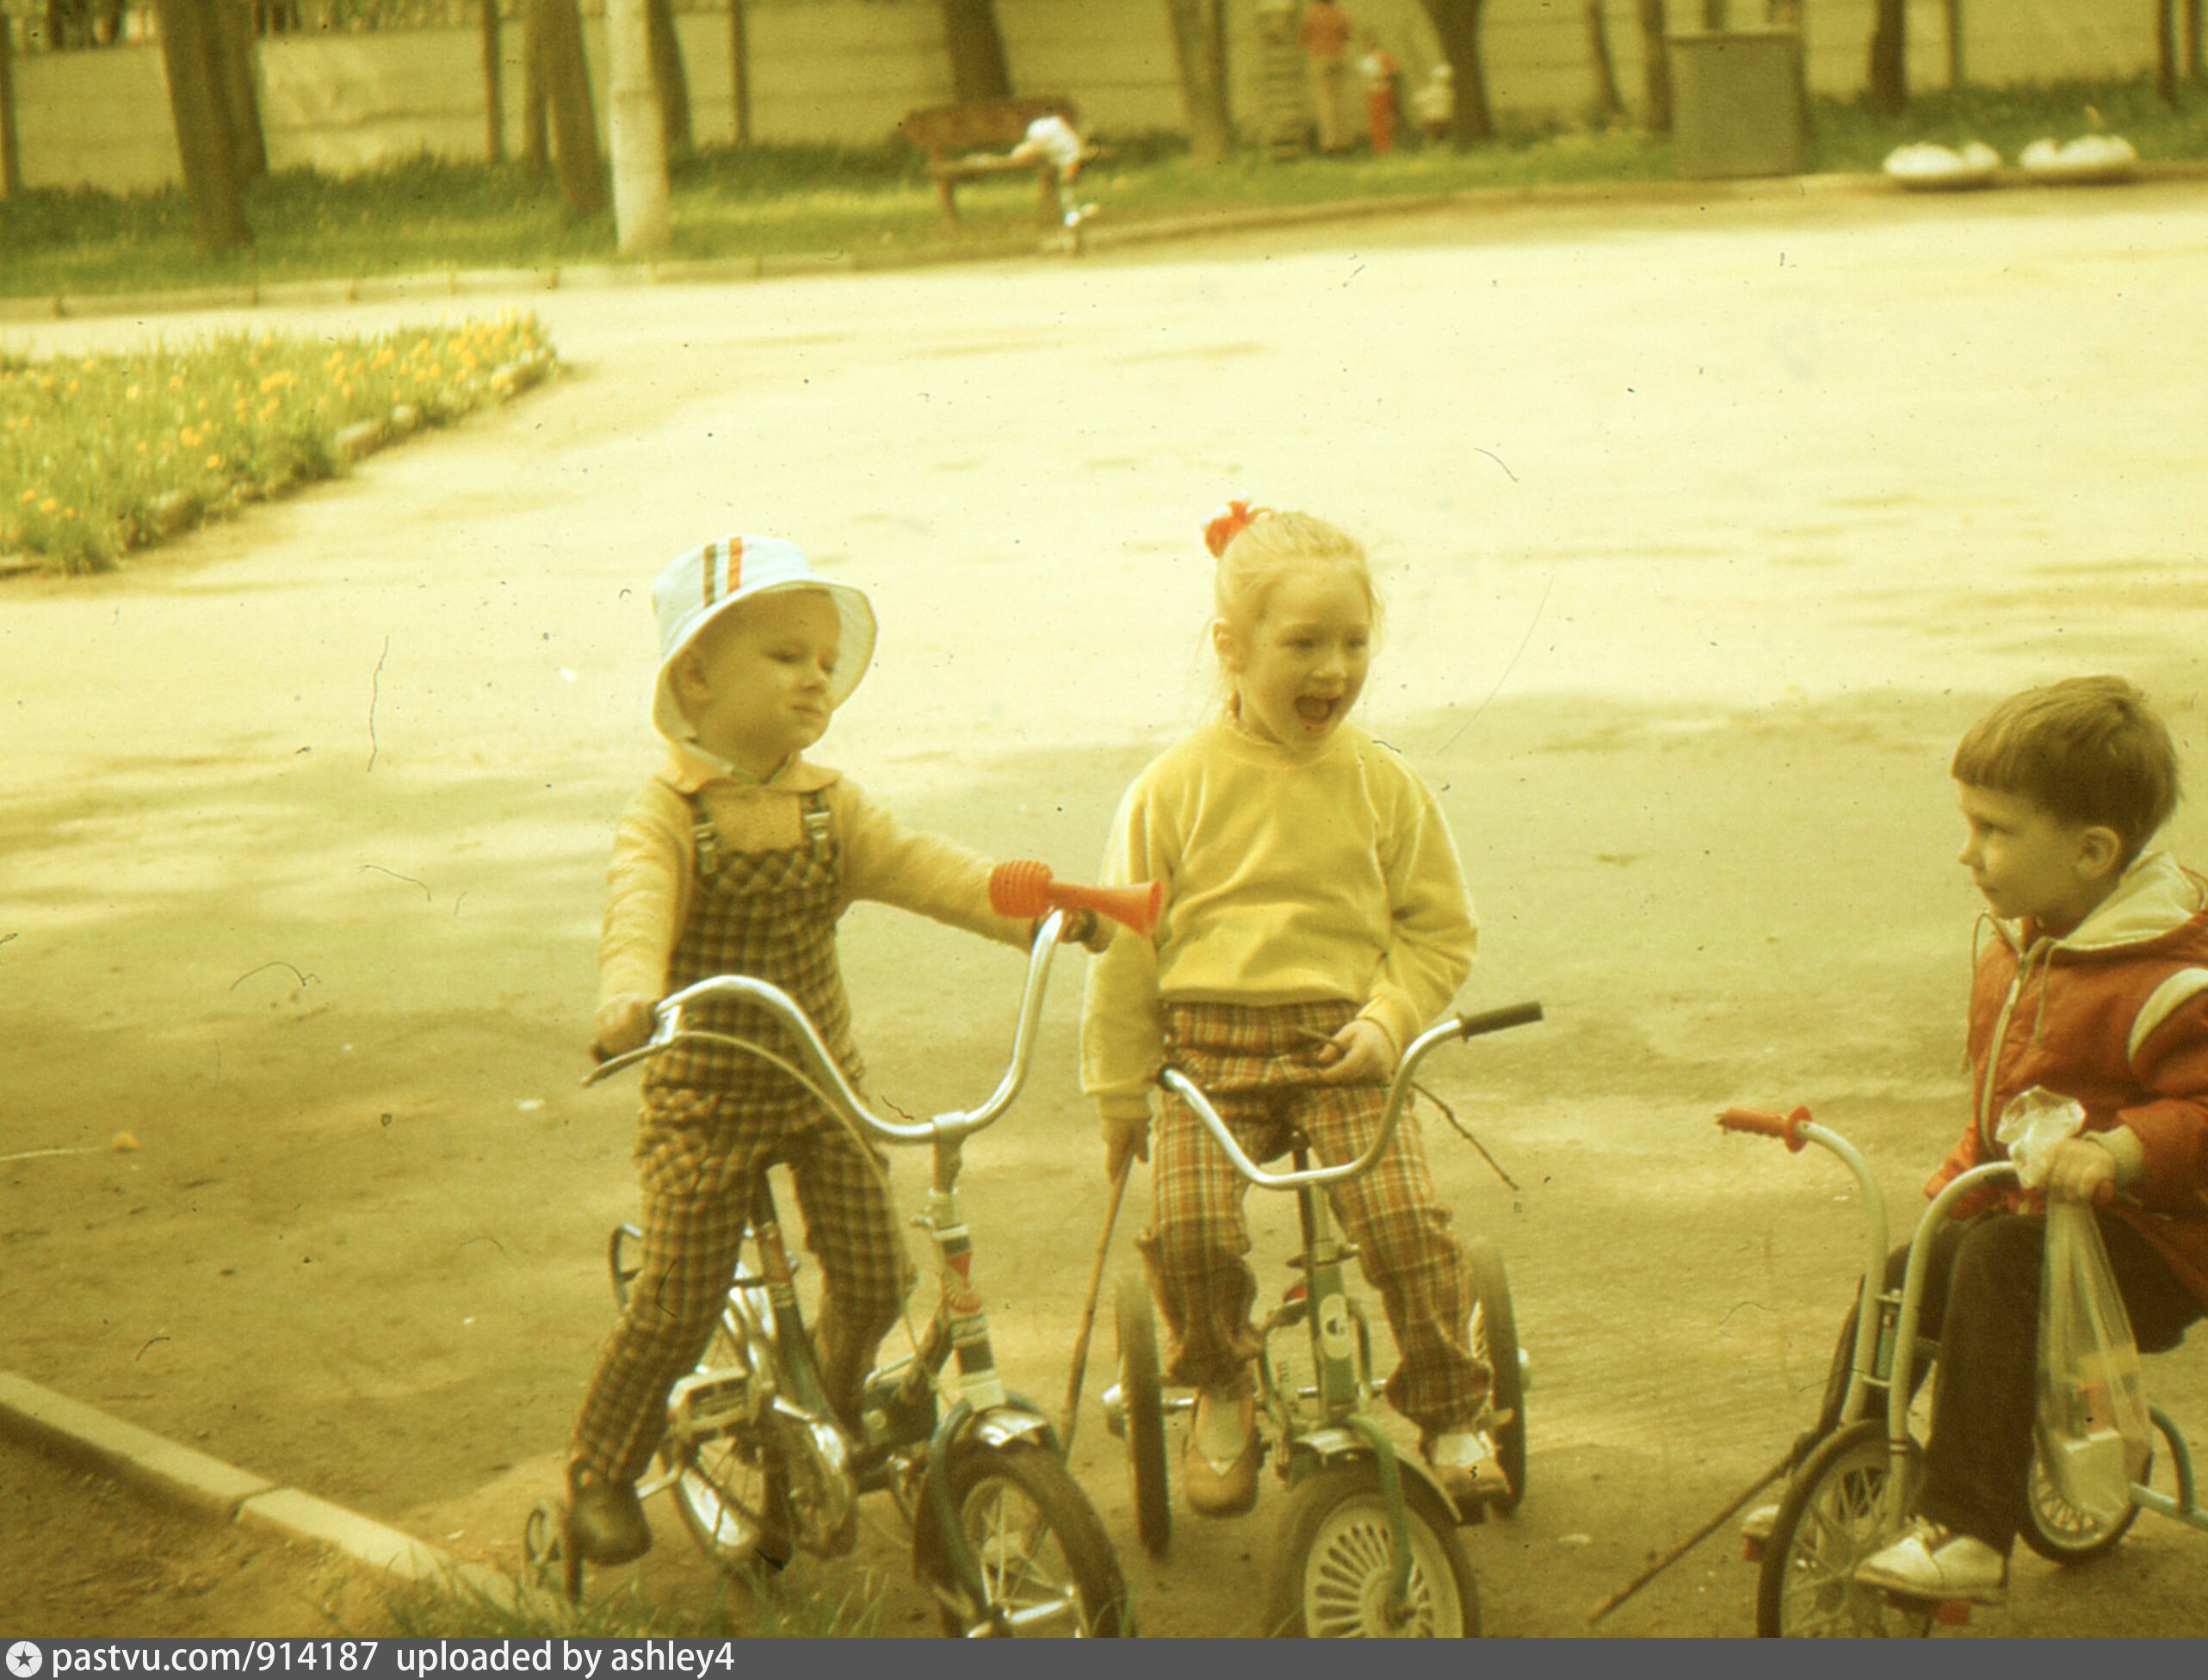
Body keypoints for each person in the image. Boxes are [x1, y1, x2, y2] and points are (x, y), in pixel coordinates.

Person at [562, 534, 1091, 1564]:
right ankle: (601, 1465)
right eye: (785, 656)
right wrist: (629, 993)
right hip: (706, 1099)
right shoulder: (667, 817)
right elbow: (638, 911)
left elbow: (929, 869)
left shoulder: (828, 809)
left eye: (824, 660)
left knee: (876, 1273)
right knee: (677, 1299)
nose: (815, 677)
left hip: (818, 1086)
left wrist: (1040, 914)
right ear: (698, 677)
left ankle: (832, 1407)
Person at [1079, 502, 1504, 1517]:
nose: (1333, 670)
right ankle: (1220, 1389)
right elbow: (1126, 952)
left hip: (1341, 1047)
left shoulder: (1382, 782)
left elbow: (1440, 930)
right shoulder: (1172, 788)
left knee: (1403, 1225)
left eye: (1355, 643)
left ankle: (1452, 1411)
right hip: (1207, 1057)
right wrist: (1119, 1090)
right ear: (1231, 646)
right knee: (1189, 1231)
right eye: (1304, 644)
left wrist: (1390, 1020)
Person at [1853, 676, 2208, 1603]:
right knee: (1912, 1268)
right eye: (1968, 824)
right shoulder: (2025, 944)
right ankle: (1847, 1478)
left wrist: (2118, 1152)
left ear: (2092, 852)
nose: (1967, 852)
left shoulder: (2169, 982)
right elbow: (2005, 1106)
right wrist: (1959, 1187)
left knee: (1997, 1264)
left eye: (1994, 830)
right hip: (2048, 1224)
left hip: (2158, 1246)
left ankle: (1968, 1528)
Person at [1301, 0, 1355, 153]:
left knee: (1326, 102)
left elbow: (1303, 38)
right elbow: (1347, 35)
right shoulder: (1339, 12)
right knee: (1340, 100)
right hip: (1338, 56)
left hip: (1320, 58)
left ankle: (1331, 143)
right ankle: (1345, 141)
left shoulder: (1312, 13)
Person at [1358, 35, 1403, 155]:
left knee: (1383, 119)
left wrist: (1382, 77)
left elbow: (1393, 72)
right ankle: (1379, 147)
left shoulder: (1382, 56)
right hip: (1371, 92)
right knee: (1374, 121)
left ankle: (1386, 147)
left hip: (1383, 90)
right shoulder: (1364, 61)